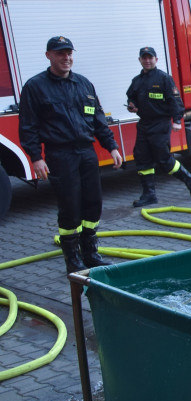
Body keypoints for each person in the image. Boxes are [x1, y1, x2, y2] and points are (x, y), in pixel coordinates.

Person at [19, 35, 125, 272]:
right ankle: (72, 258)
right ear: (49, 56)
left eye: (69, 53)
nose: (66, 58)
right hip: (61, 154)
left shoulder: (84, 84)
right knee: (70, 205)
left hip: (86, 152)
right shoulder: (35, 87)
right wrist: (36, 157)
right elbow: (28, 126)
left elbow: (98, 119)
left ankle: (90, 252)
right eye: (60, 53)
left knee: (93, 203)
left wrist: (112, 147)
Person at [125, 46, 191, 207]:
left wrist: (177, 121)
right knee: (142, 158)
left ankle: (189, 179)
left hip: (161, 123)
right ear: (140, 60)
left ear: (156, 60)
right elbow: (131, 96)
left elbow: (175, 101)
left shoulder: (164, 79)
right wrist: (132, 105)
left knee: (163, 159)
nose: (147, 60)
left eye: (150, 57)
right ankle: (149, 194)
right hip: (144, 124)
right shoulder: (136, 81)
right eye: (144, 58)